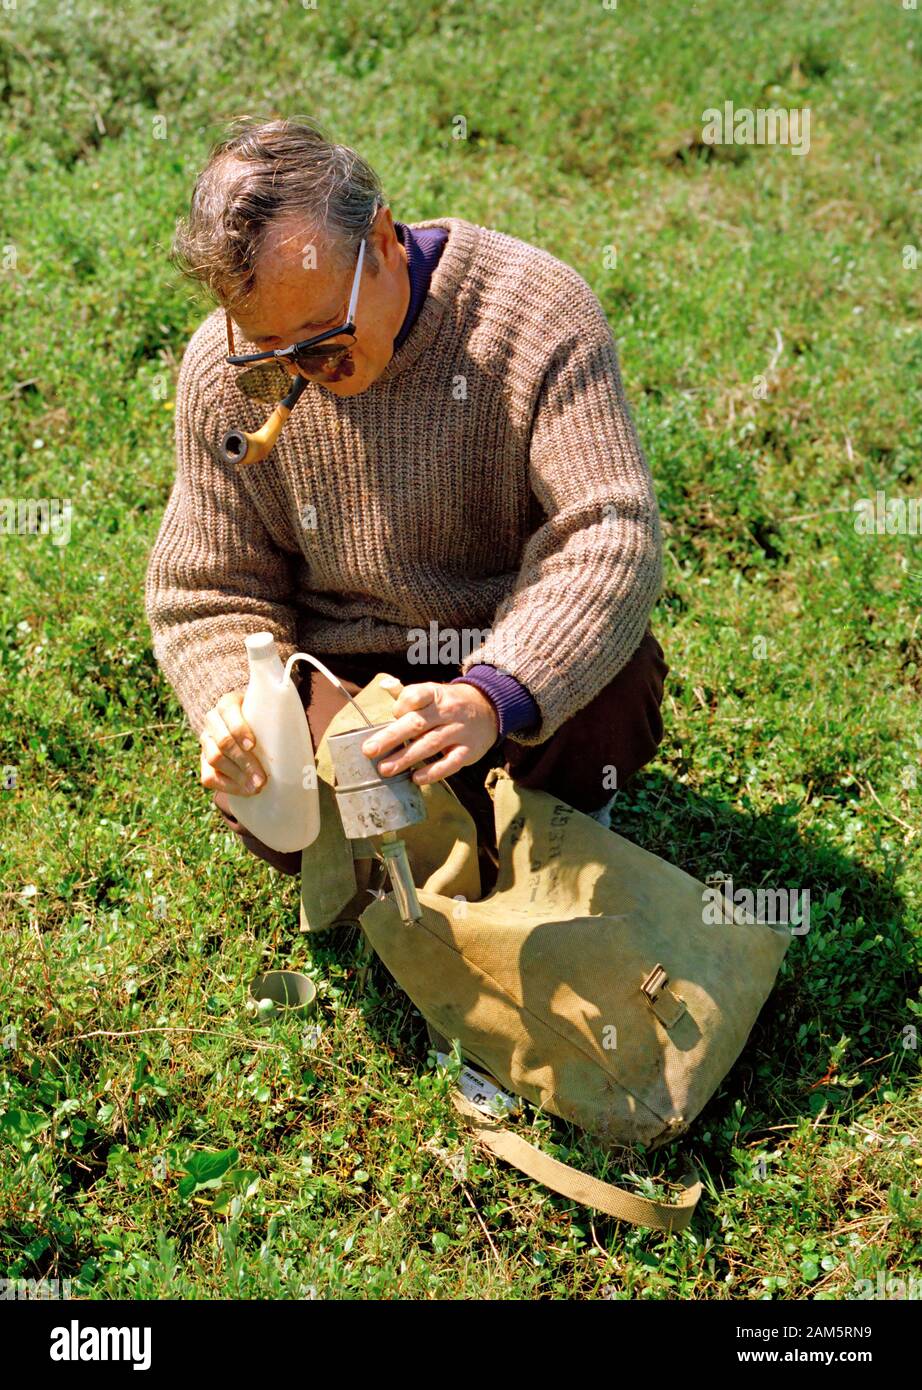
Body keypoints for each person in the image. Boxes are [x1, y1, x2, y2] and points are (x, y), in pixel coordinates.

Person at [144, 116, 668, 884]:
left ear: (384, 240)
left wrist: (495, 694)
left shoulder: (536, 314)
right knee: (266, 783)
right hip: (344, 675)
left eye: (324, 334)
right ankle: (419, 849)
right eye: (269, 347)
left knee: (611, 683)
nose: (305, 372)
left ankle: (546, 821)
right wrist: (234, 700)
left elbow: (610, 532)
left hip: (506, 659)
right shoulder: (225, 371)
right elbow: (206, 588)